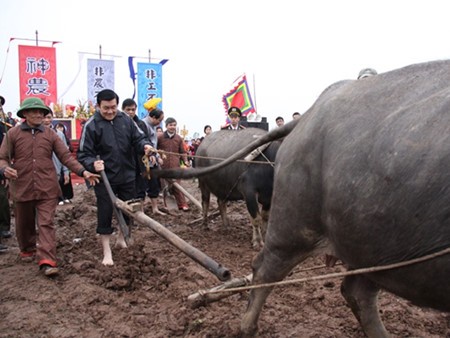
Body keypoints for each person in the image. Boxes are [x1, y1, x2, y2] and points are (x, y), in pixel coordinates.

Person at [0, 97, 100, 277]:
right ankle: (28, 248)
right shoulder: (12, 134)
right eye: (34, 111)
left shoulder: (50, 134)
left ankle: (47, 260)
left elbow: (66, 157)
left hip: (47, 186)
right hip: (22, 185)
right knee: (24, 223)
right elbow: (2, 157)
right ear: (25, 114)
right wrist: (5, 169)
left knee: (46, 223)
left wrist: (83, 171)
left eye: (41, 112)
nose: (38, 115)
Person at [77, 89, 154, 266]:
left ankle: (121, 238)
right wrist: (92, 164)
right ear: (98, 106)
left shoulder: (126, 120)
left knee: (128, 208)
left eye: (113, 107)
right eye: (106, 108)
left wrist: (146, 147)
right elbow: (83, 154)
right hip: (104, 178)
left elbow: (139, 139)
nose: (110, 111)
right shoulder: (91, 125)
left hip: (128, 174)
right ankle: (107, 250)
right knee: (105, 211)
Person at [157, 117, 190, 211]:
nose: (172, 127)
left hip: (175, 166)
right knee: (164, 187)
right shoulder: (160, 137)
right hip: (163, 166)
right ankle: (166, 205)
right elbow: (155, 150)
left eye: (174, 125)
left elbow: (183, 152)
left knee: (177, 186)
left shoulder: (178, 138)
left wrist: (185, 161)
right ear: (166, 126)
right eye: (170, 125)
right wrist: (158, 157)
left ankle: (182, 204)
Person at [42, 109, 72, 206]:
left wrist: (66, 171)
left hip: (58, 167)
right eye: (44, 117)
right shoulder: (35, 134)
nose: (46, 120)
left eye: (49, 117)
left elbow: (64, 153)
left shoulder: (59, 134)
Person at [142, 107, 166, 215]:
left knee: (154, 186)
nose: (160, 123)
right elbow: (143, 142)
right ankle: (141, 210)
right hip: (143, 162)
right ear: (153, 117)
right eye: (159, 120)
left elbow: (153, 145)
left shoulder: (152, 127)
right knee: (142, 187)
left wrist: (157, 156)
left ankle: (155, 208)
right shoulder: (143, 125)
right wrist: (150, 154)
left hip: (153, 162)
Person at [0, 95, 12, 242]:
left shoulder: (4, 129)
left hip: (1, 170)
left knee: (2, 200)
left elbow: (6, 154)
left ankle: (4, 228)